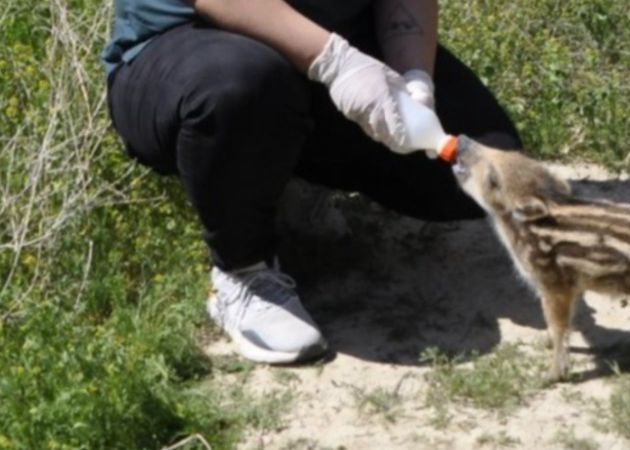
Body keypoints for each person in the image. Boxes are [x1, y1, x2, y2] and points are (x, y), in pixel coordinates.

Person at [103, 0, 521, 364]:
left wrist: (414, 80)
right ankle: (243, 271)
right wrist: (337, 63)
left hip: (329, 48)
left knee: (484, 162)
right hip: (192, 51)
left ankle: (286, 177)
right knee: (242, 88)